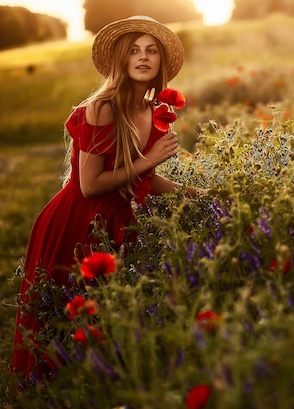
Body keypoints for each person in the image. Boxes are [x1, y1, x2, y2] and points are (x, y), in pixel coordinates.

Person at [10, 15, 193, 385]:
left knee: (103, 321)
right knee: (63, 319)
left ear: (160, 64)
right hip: (76, 220)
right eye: (134, 51)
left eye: (152, 51)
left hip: (116, 222)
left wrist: (196, 195)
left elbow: (143, 177)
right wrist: (151, 157)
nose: (143, 58)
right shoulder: (103, 107)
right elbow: (90, 185)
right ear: (121, 60)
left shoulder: (152, 112)